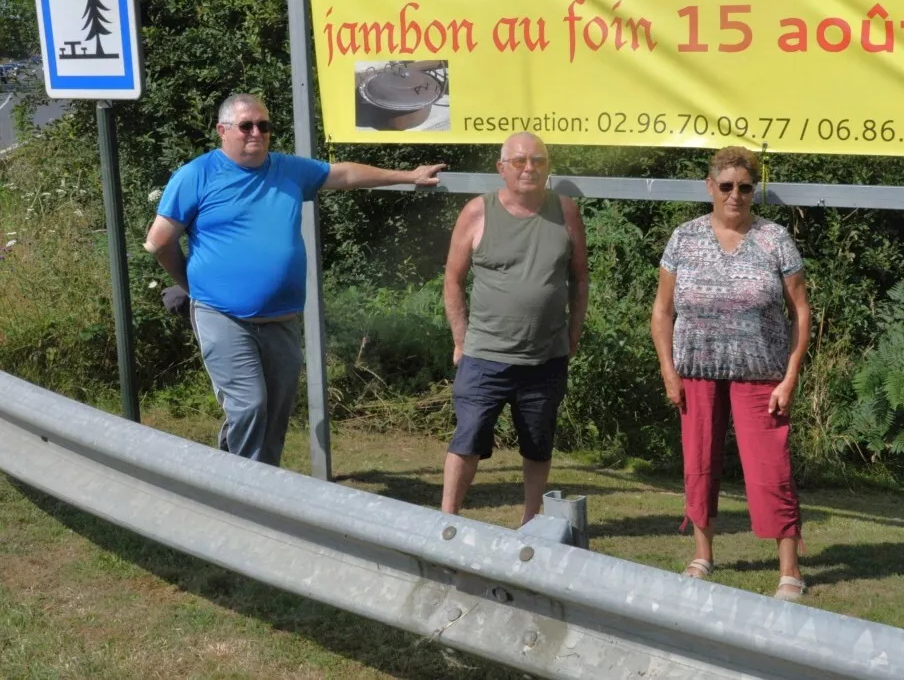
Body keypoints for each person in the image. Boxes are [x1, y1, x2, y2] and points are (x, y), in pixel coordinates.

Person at [145, 93, 446, 466]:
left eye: (264, 125)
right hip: (223, 315)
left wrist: (408, 175)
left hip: (281, 319)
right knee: (249, 406)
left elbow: (344, 174)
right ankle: (238, 490)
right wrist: (192, 286)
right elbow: (159, 241)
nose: (257, 132)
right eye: (246, 126)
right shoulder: (197, 175)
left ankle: (267, 488)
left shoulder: (287, 170)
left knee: (276, 410)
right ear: (222, 131)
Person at [651, 146, 810, 601]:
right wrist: (668, 369)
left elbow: (800, 310)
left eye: (744, 187)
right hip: (696, 371)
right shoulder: (684, 238)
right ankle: (702, 554)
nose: (735, 195)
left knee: (770, 468)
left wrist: (790, 375)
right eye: (726, 187)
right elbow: (661, 311)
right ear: (710, 188)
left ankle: (789, 570)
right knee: (699, 463)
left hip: (760, 372)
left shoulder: (774, 239)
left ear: (753, 190)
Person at [442, 132, 588, 525]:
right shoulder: (477, 212)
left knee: (537, 446)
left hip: (545, 358)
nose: (530, 168)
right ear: (501, 169)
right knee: (468, 438)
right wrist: (460, 338)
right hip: (485, 356)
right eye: (520, 161)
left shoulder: (566, 211)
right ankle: (446, 520)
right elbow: (453, 280)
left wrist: (573, 333)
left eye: (538, 160)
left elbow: (580, 279)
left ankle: (530, 523)